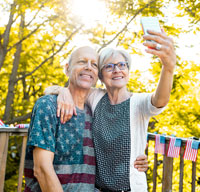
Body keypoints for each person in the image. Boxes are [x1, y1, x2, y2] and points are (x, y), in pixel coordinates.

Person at [46, 29, 176, 192]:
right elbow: (54, 89)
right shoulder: (95, 97)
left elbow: (160, 100)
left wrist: (168, 67)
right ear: (100, 76)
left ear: (128, 71)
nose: (117, 70)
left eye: (122, 65)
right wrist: (63, 91)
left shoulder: (139, 103)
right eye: (109, 66)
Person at [24, 46, 148, 192]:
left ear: (98, 75)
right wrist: (62, 90)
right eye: (82, 62)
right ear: (67, 68)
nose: (89, 67)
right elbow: (42, 170)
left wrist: (135, 158)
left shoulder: (94, 112)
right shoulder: (48, 106)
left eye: (94, 64)